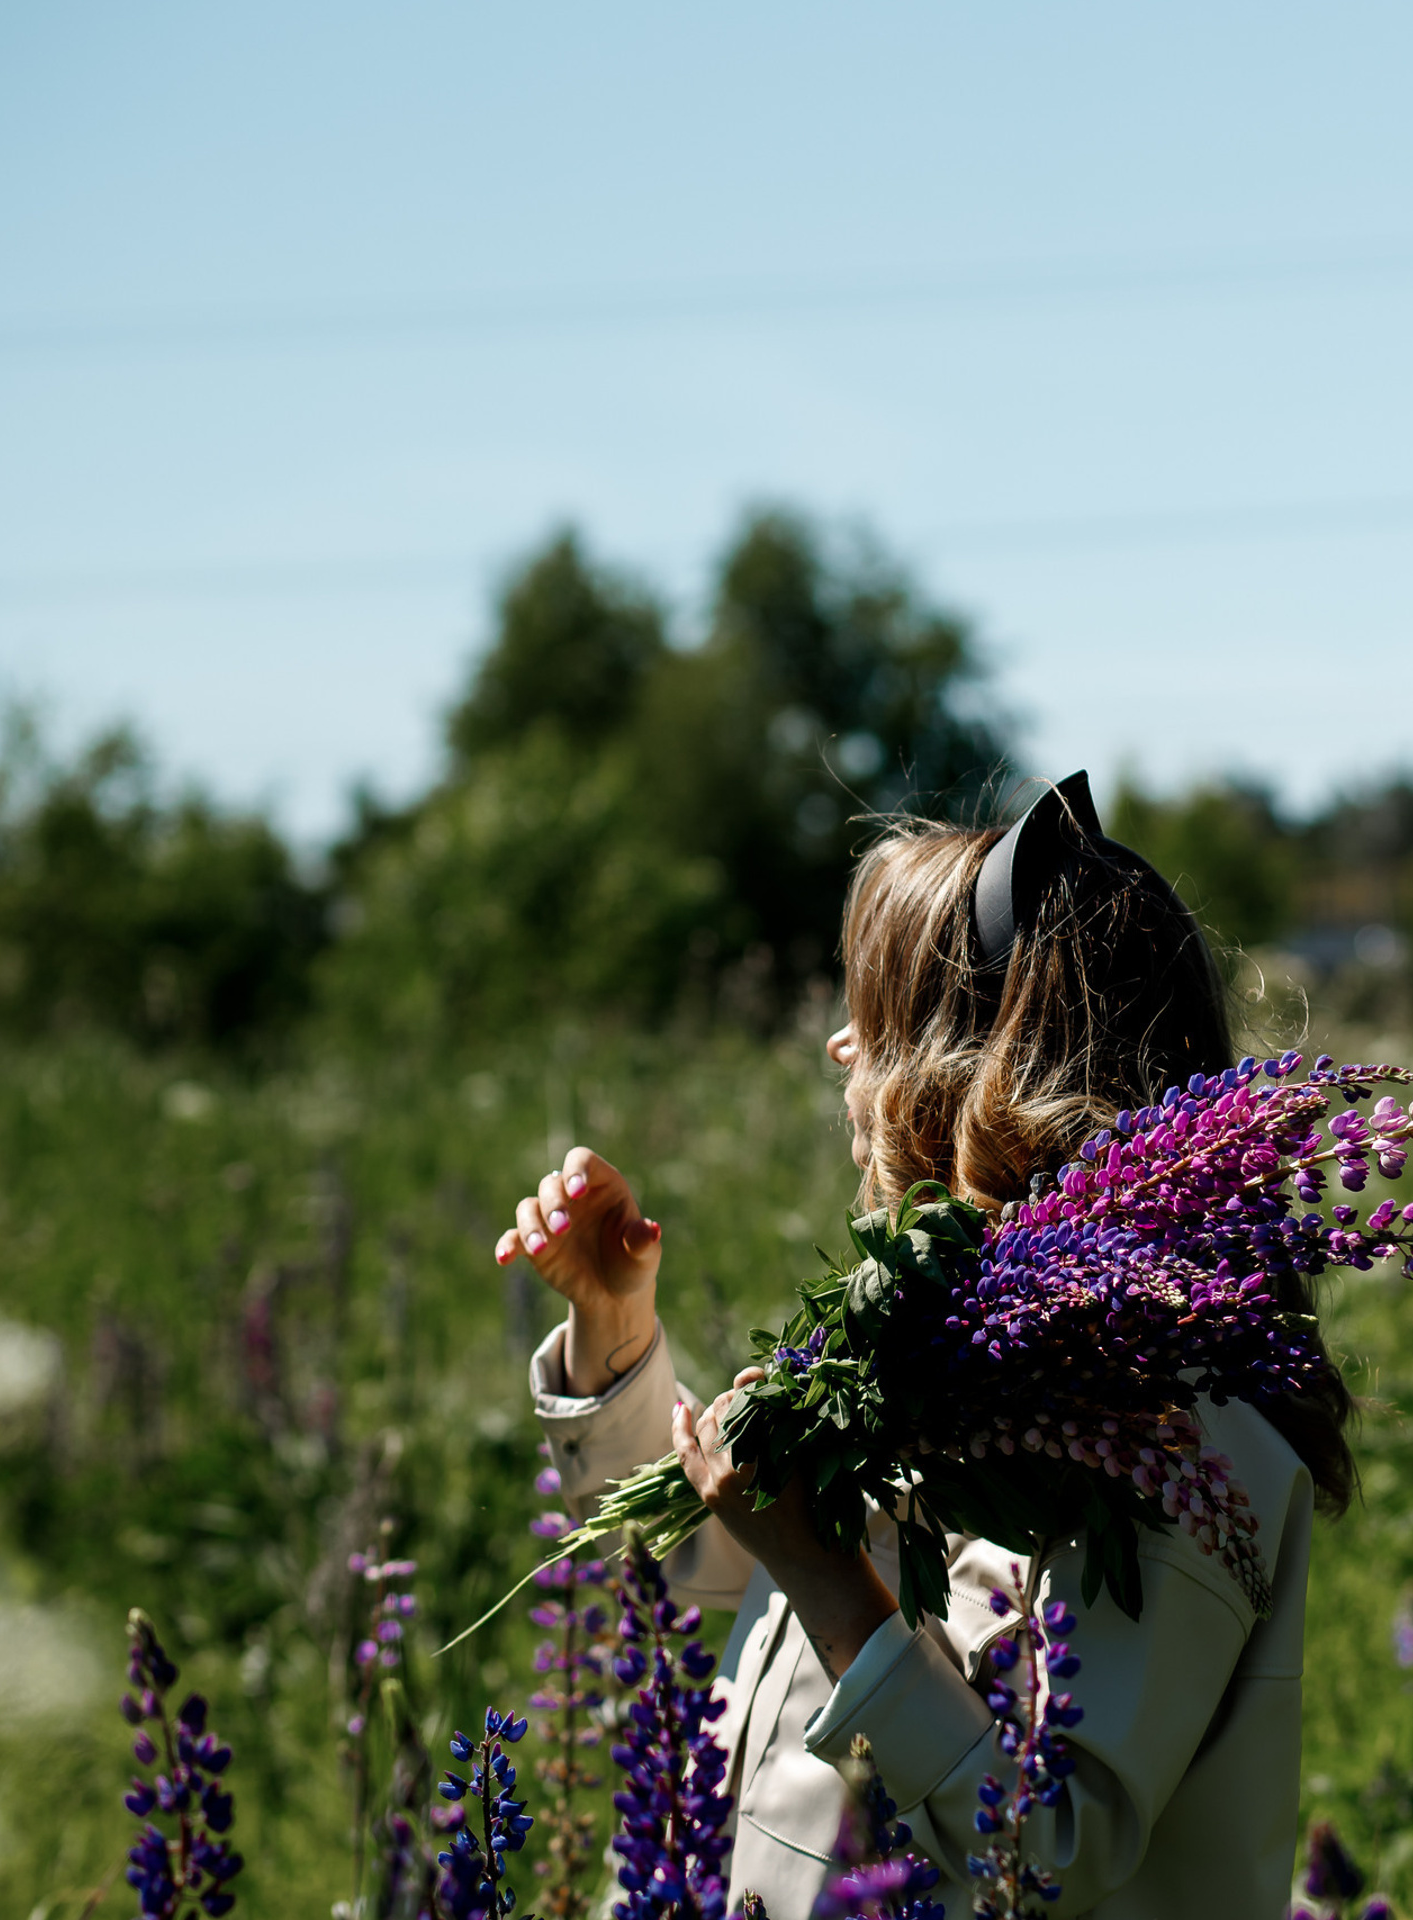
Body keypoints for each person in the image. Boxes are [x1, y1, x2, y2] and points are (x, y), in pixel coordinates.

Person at [497, 774, 1356, 1920]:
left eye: (874, 1013)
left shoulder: (1177, 1429)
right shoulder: (935, 1335)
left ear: (966, 1059)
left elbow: (1050, 1846)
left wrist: (826, 1582)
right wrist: (615, 1332)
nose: (838, 1045)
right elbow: (729, 1563)